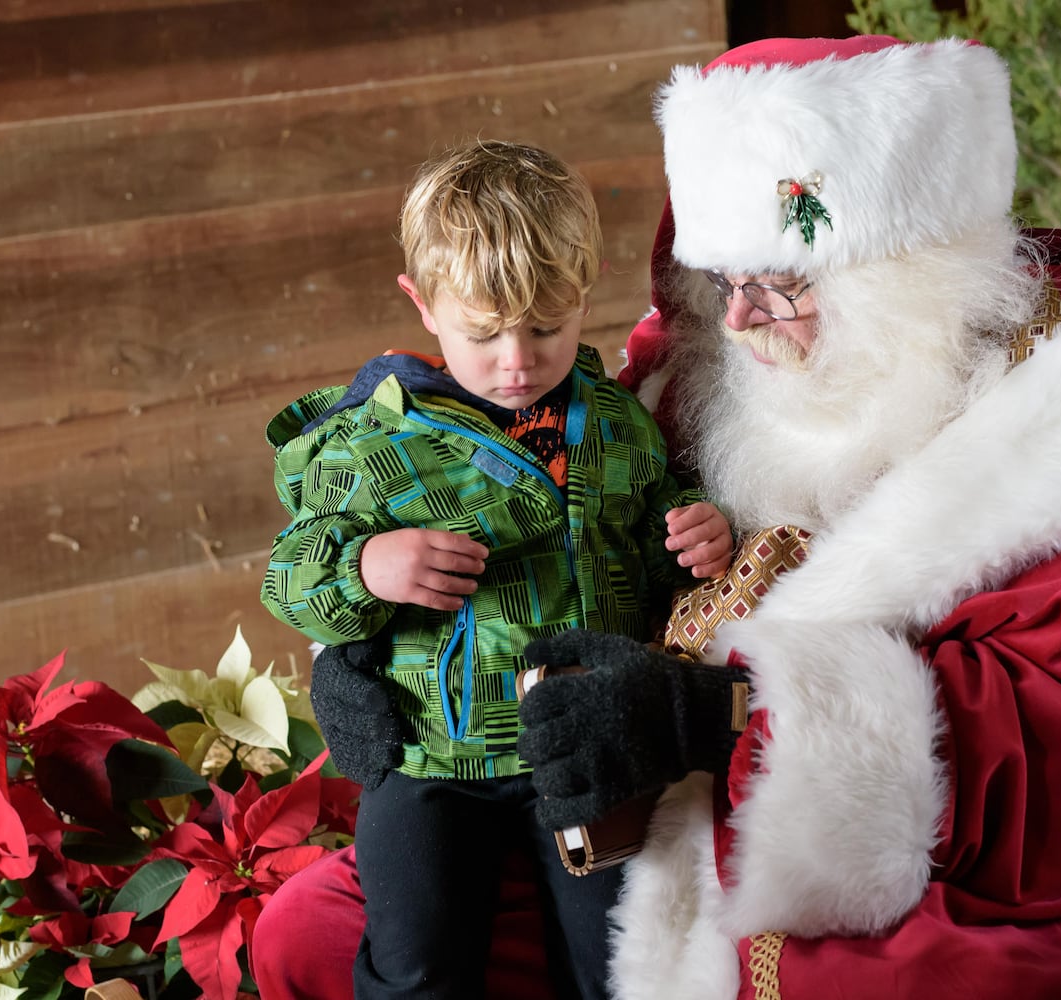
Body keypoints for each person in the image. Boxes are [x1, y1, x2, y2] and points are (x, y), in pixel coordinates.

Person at [251, 36, 1061, 1000]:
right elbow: (498, 497)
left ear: (900, 264)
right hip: (639, 811)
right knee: (323, 928)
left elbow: (1047, 770)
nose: (737, 321)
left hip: (935, 882)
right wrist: (364, 640)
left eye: (776, 283)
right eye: (717, 280)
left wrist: (713, 719)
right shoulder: (720, 361)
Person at [258, 139, 733, 1000]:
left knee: (621, 964)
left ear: (584, 295)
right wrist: (366, 564)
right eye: (484, 332)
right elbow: (289, 577)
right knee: (418, 966)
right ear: (424, 305)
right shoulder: (372, 443)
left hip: (584, 750)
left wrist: (699, 535)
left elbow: (664, 533)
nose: (518, 359)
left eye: (548, 326)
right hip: (431, 762)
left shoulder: (618, 425)